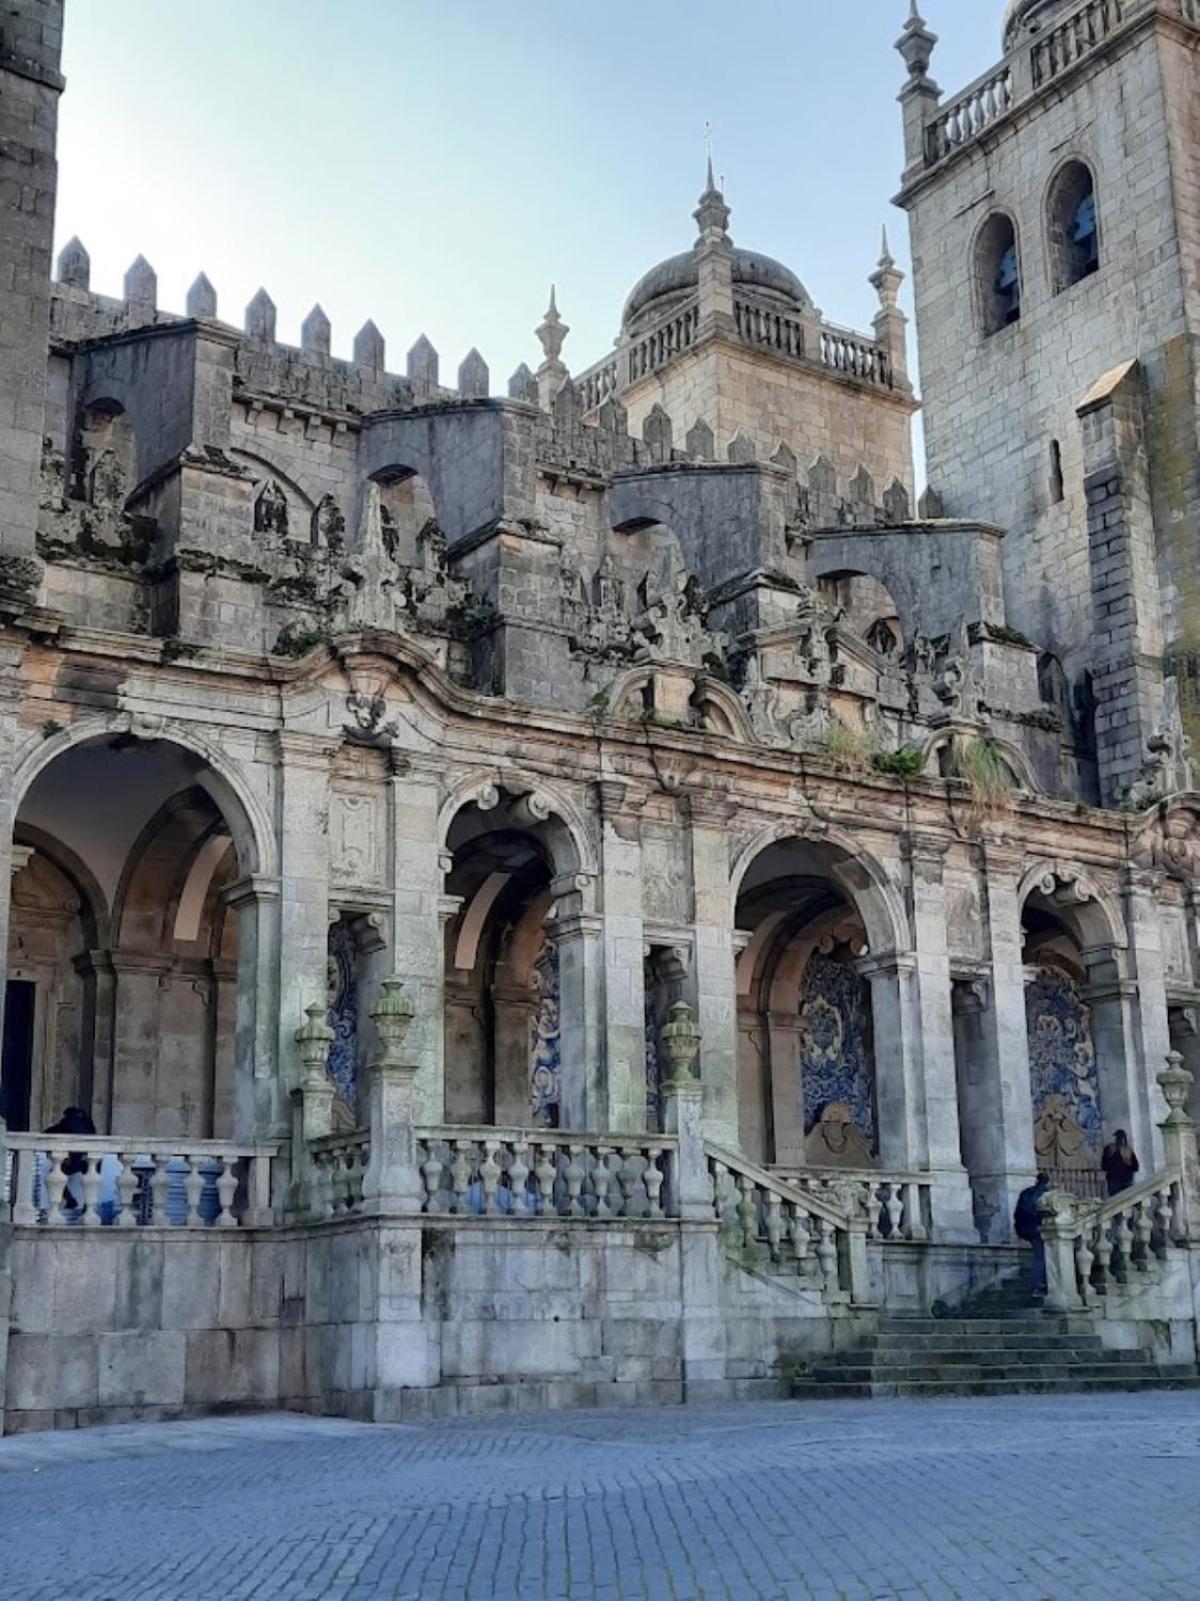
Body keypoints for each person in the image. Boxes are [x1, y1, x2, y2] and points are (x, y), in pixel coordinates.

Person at [1014, 1171, 1051, 1299]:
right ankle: (1040, 1285)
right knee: (1041, 1257)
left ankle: (1039, 1284)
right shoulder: (1047, 1195)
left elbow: (1017, 1214)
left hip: (1026, 1228)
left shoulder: (1026, 1192)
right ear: (1047, 1181)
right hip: (1040, 1228)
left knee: (1038, 1256)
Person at [1101, 1129, 1140, 1197]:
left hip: (1121, 1181)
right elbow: (1104, 1166)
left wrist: (1128, 1162)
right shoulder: (1110, 1149)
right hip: (1118, 1181)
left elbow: (1135, 1167)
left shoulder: (1127, 1150)